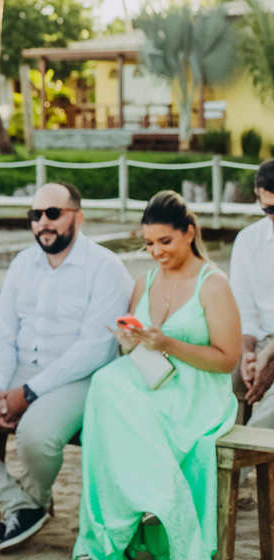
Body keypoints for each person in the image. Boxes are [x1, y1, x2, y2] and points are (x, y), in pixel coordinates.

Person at [0, 182, 132, 553]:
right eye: (35, 216)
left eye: (53, 214)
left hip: (79, 377)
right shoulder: (23, 264)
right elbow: (4, 333)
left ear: (78, 217)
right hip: (19, 369)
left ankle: (34, 497)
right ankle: (17, 503)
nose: (43, 223)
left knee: (36, 435)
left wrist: (28, 393)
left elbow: (95, 349)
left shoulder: (106, 268)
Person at [74, 191, 241, 560]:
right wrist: (129, 340)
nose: (155, 251)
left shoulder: (213, 285)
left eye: (164, 241)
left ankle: (154, 504)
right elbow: (139, 347)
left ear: (189, 232)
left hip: (199, 387)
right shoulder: (145, 282)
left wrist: (169, 344)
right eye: (148, 243)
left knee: (127, 402)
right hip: (151, 377)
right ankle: (113, 527)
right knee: (105, 382)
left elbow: (228, 359)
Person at [231, 160, 274, 424]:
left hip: (269, 347)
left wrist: (269, 358)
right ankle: (220, 458)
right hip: (258, 341)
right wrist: (248, 355)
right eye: (269, 208)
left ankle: (247, 456)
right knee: (229, 379)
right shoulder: (248, 240)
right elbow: (243, 311)